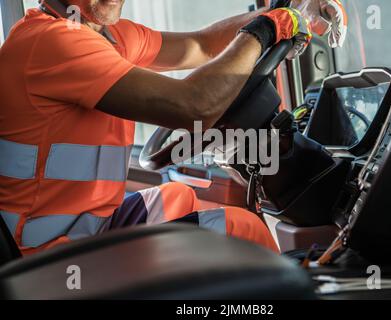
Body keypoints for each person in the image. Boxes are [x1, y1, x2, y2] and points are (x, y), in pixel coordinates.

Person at [0, 0, 347, 255]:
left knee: (179, 197)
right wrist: (269, 29)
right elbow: (193, 105)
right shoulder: (53, 43)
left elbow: (201, 45)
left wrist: (292, 15)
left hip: (89, 226)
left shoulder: (105, 35)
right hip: (45, 256)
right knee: (242, 231)